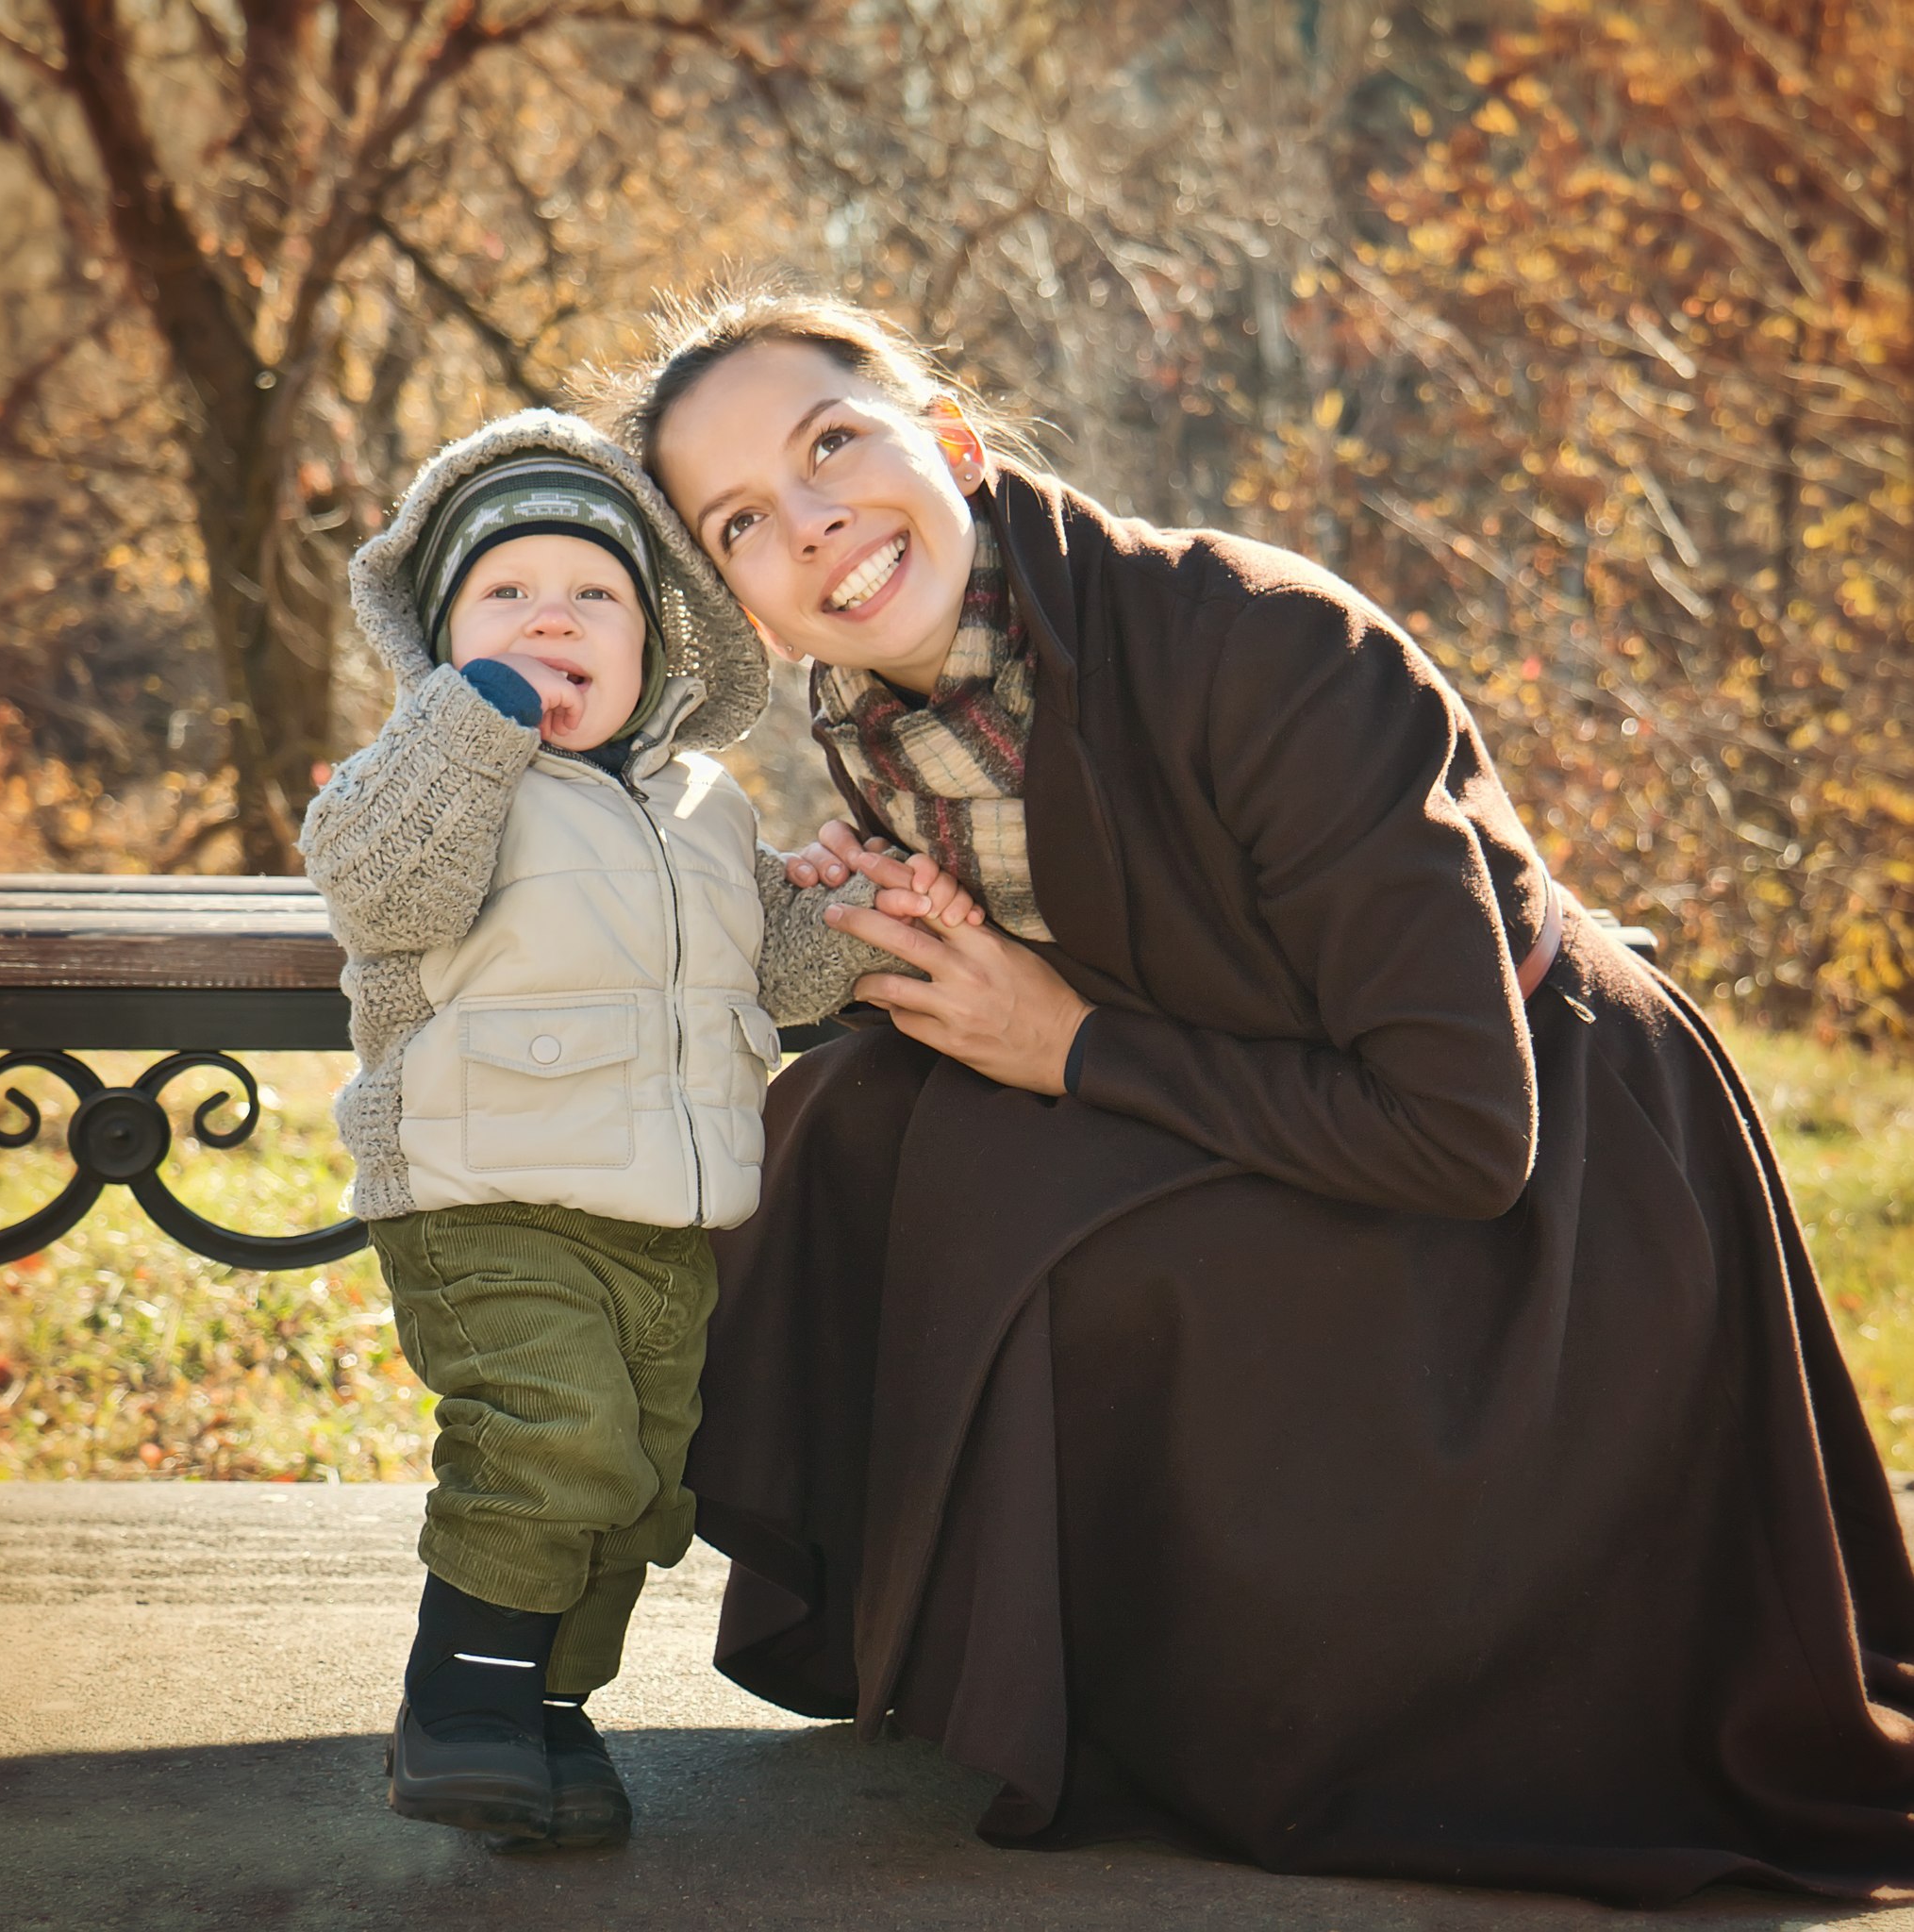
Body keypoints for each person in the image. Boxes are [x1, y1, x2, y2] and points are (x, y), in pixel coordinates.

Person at [591, 290, 1914, 1903]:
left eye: (830, 447)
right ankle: (597, 1601)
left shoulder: (1269, 644)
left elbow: (1458, 1133)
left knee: (1075, 1254)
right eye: (744, 521)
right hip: (1281, 1101)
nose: (815, 528)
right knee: (853, 1120)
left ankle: (1229, 1693)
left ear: (941, 437)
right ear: (741, 602)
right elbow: (1126, 930)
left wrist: (1073, 1045)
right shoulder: (889, 716)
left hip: (1549, 1197)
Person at [299, 408, 970, 1851]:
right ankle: (457, 1707)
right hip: (487, 1200)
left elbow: (766, 979)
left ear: (657, 641)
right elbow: (384, 896)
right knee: (553, 1436)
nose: (553, 618)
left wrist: (863, 915)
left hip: (665, 1224)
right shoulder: (428, 784)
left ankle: (545, 1717)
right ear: (438, 640)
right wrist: (468, 718)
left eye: (593, 594)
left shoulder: (700, 810)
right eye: (506, 596)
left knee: (636, 1487)